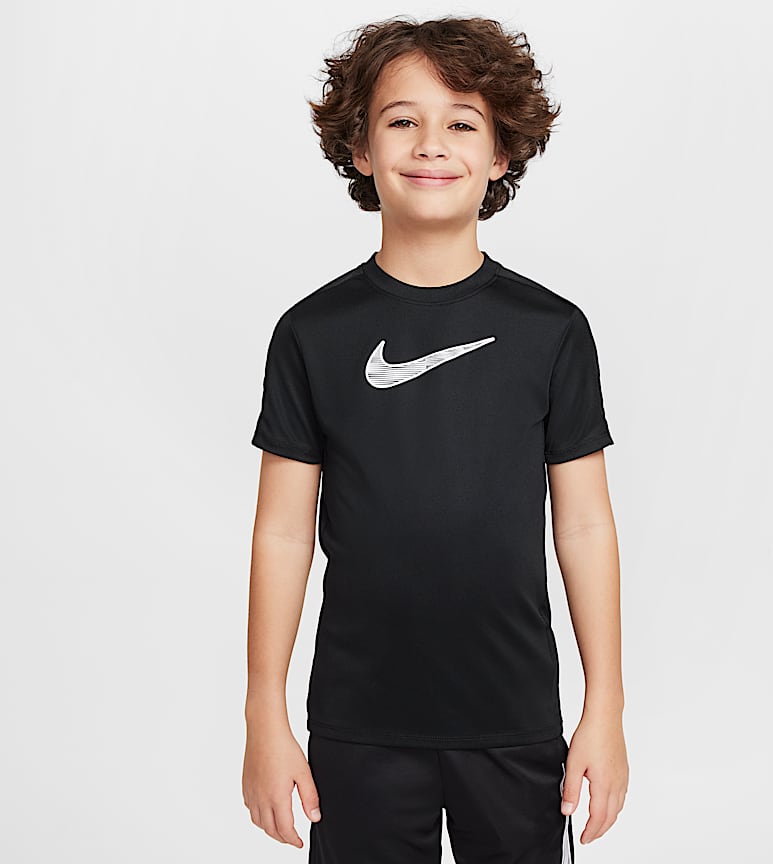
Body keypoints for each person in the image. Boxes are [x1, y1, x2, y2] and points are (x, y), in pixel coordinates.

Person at [242, 15, 628, 863]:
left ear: (500, 154)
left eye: (461, 123)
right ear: (360, 148)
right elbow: (282, 532)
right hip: (359, 724)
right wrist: (262, 713)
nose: (430, 145)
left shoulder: (552, 331)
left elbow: (585, 525)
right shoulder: (312, 334)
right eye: (401, 120)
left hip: (515, 719)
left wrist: (605, 706)